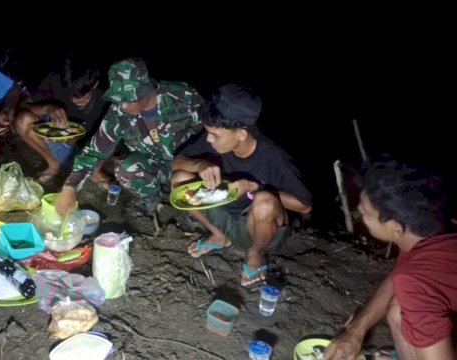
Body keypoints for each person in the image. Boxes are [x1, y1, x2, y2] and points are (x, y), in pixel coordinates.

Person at [171, 84, 312, 287]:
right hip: (224, 216)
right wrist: (199, 164)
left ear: (242, 134)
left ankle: (255, 253)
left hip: (257, 229)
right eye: (208, 132)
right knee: (181, 178)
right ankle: (219, 236)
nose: (209, 139)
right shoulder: (216, 138)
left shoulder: (273, 156)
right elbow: (177, 161)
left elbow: (304, 205)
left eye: (216, 135)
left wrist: (256, 189)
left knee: (265, 201)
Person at [323, 160, 457, 360]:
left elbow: (412, 281)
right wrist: (355, 332)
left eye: (365, 213)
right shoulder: (432, 230)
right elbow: (401, 276)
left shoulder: (416, 279)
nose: (360, 215)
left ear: (396, 227)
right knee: (398, 308)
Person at [54, 57, 205, 217]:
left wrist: (200, 165)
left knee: (194, 185)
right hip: (155, 166)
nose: (123, 106)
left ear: (145, 90)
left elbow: (209, 133)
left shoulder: (182, 95)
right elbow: (94, 152)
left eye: (128, 99)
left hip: (188, 164)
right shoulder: (118, 112)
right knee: (126, 170)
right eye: (119, 100)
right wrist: (69, 188)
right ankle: (152, 195)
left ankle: (198, 206)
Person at [13, 56, 112, 186]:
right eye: (71, 95)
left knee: (115, 129)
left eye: (83, 96)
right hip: (54, 143)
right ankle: (53, 165)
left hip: (86, 153)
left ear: (95, 84)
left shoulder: (107, 94)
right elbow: (23, 105)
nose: (75, 101)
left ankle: (95, 172)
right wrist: (46, 108)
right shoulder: (57, 79)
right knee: (22, 119)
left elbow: (115, 134)